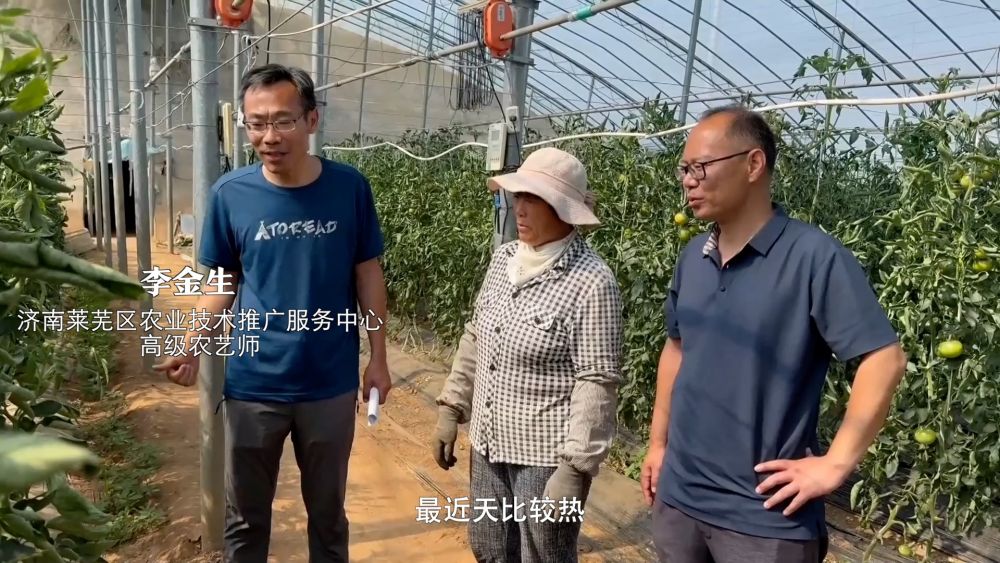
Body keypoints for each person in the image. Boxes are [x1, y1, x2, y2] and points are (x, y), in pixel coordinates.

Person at [641, 104, 908, 563]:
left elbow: (884, 358)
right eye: (684, 169)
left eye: (700, 167)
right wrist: (658, 444)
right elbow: (677, 348)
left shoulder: (813, 257)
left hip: (764, 518)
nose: (688, 181)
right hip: (680, 501)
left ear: (753, 164)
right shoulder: (694, 258)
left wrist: (835, 464)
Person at [152, 63, 391, 563]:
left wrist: (378, 358)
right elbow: (223, 282)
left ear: (311, 120)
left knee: (328, 515)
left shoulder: (349, 188)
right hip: (254, 383)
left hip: (329, 383)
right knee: (245, 518)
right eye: (256, 123)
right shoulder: (231, 195)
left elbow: (367, 273)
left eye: (283, 121)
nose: (269, 136)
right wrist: (191, 346)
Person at [432, 147, 624, 563]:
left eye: (533, 199)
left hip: (544, 459)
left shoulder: (592, 281)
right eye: (518, 196)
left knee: (543, 554)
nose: (519, 208)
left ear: (564, 210)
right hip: (488, 443)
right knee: (489, 548)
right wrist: (451, 406)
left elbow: (597, 380)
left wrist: (574, 469)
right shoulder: (503, 260)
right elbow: (476, 335)